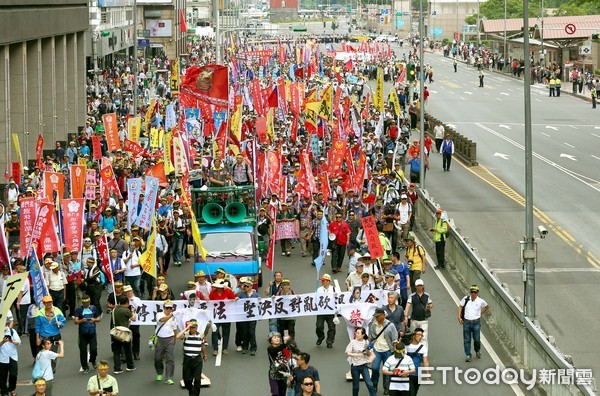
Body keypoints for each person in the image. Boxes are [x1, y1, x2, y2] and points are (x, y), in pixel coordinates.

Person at [368, 308, 398, 395]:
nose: (376, 318)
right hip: (377, 350)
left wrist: (395, 348)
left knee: (386, 370)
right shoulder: (373, 325)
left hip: (387, 350)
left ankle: (386, 387)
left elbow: (394, 338)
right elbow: (372, 337)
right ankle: (374, 385)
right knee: (374, 368)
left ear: (383, 316)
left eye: (378, 316)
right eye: (375, 316)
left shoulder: (390, 325)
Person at [458, 285, 489, 362]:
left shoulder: (480, 301)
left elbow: (486, 306)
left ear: (477, 293)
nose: (473, 294)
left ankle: (477, 350)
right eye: (472, 292)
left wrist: (480, 313)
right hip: (467, 322)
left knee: (477, 339)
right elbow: (460, 306)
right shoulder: (466, 299)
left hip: (476, 323)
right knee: (467, 340)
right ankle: (468, 355)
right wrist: (459, 317)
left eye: (475, 292)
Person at [176, 319, 207, 396]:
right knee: (187, 380)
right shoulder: (185, 335)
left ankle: (195, 394)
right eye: (191, 327)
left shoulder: (201, 335)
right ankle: (191, 389)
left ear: (197, 327)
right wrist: (186, 328)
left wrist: (204, 355)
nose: (193, 329)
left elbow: (202, 346)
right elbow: (177, 336)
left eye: (194, 327)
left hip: (197, 360)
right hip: (187, 360)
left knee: (197, 379)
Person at [73, 295, 101, 374]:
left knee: (94, 349)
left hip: (92, 333)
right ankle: (85, 367)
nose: (85, 304)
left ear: (89, 302)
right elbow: (75, 321)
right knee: (83, 351)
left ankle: (93, 360)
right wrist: (81, 321)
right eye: (84, 303)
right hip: (82, 333)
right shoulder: (79, 309)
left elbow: (99, 318)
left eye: (87, 302)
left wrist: (94, 320)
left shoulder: (93, 308)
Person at [345, 327, 377, 396]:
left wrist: (367, 352)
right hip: (355, 366)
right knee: (356, 386)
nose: (357, 334)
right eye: (356, 333)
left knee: (369, 384)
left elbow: (370, 354)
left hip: (364, 366)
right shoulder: (353, 342)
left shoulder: (366, 342)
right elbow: (347, 352)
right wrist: (357, 355)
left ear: (363, 335)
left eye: (358, 333)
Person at [209, 280, 236, 356]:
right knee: (215, 331)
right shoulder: (212, 293)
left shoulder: (228, 292)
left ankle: (225, 348)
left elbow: (233, 299)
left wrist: (231, 291)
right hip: (216, 316)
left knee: (226, 332)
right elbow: (210, 303)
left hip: (226, 316)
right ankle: (215, 349)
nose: (218, 289)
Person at [110, 294, 136, 374]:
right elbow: (133, 319)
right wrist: (133, 312)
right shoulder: (126, 311)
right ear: (127, 303)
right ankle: (130, 366)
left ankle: (117, 368)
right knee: (128, 350)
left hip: (116, 332)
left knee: (117, 352)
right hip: (124, 333)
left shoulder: (114, 310)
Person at [154, 300, 178, 384]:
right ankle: (159, 372)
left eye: (170, 308)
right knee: (158, 358)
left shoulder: (174, 318)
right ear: (164, 308)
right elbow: (162, 320)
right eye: (167, 308)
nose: (169, 309)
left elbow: (175, 329)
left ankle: (168, 377)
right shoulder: (159, 314)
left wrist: (175, 339)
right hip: (160, 339)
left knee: (170, 359)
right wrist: (171, 315)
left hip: (170, 339)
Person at [404, 279, 432, 346]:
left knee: (424, 337)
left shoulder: (427, 295)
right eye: (418, 286)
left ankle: (424, 353)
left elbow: (430, 303)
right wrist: (405, 316)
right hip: (414, 319)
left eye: (420, 285)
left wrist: (429, 306)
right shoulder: (412, 296)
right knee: (413, 336)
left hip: (424, 320)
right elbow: (408, 305)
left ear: (423, 286)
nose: (419, 287)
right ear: (415, 286)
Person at [237, 278, 259, 355]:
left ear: (251, 287)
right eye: (245, 286)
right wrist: (236, 299)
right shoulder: (242, 295)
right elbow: (237, 303)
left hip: (252, 317)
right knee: (244, 332)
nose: (245, 287)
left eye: (247, 286)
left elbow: (259, 305)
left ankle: (253, 348)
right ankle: (245, 347)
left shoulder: (256, 295)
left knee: (252, 332)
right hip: (244, 317)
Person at [267, 332, 292, 396]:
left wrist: (288, 344)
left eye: (278, 337)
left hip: (283, 373)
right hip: (274, 374)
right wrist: (285, 343)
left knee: (282, 393)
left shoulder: (283, 347)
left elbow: (288, 356)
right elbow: (276, 350)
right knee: (275, 393)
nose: (277, 339)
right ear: (271, 340)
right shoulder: (270, 348)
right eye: (275, 338)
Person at [315, 274, 337, 349]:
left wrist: (336, 296)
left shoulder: (334, 289)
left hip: (330, 311)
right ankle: (321, 336)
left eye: (324, 280)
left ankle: (329, 341)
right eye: (322, 280)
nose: (322, 282)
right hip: (321, 311)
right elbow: (315, 299)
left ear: (328, 281)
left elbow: (339, 299)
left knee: (331, 327)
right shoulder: (319, 289)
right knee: (319, 326)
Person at [405, 328, 428, 396]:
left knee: (414, 392)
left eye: (421, 335)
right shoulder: (407, 346)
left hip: (418, 374)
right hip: (408, 373)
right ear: (414, 335)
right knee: (410, 393)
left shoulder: (423, 348)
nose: (420, 337)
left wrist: (427, 374)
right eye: (418, 335)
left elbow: (425, 361)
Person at [0, 322, 20, 396]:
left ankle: (12, 389)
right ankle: (4, 392)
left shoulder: (12, 331)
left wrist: (12, 341)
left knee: (13, 374)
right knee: (2, 377)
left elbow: (19, 342)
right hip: (2, 358)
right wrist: (3, 342)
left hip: (12, 357)